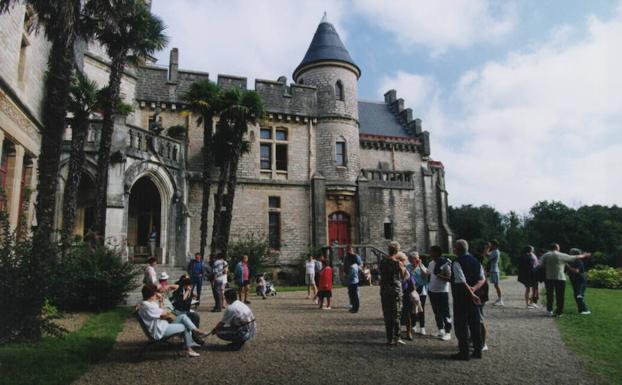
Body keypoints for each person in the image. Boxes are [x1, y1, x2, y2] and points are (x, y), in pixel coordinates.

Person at [138, 284, 209, 357]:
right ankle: (189, 349)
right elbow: (164, 313)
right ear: (153, 294)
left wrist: (161, 301)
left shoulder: (146, 303)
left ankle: (196, 330)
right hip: (159, 330)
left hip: (161, 325)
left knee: (183, 317)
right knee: (184, 326)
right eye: (156, 292)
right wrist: (166, 314)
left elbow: (163, 312)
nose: (157, 293)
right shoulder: (149, 306)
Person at [451, 239, 485, 360]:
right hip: (475, 298)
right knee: (475, 324)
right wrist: (474, 289)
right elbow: (482, 279)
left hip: (462, 298)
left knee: (461, 325)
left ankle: (464, 353)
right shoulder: (476, 261)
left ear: (458, 249)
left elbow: (461, 280)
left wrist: (471, 293)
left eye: (455, 247)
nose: (453, 249)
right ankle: (477, 351)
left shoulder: (456, 262)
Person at [539, 243, 590, 317]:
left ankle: (549, 310)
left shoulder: (545, 255)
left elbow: (541, 265)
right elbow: (575, 257)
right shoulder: (561, 255)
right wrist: (585, 255)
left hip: (549, 277)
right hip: (559, 278)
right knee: (560, 295)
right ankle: (559, 312)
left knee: (549, 294)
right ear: (557, 248)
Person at [379, 241, 407, 346]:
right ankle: (397, 337)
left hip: (385, 290)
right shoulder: (398, 263)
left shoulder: (382, 262)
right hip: (395, 290)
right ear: (397, 251)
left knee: (387, 314)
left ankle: (389, 338)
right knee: (396, 314)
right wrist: (403, 266)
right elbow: (404, 276)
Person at [427, 246, 452, 341]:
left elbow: (450, 278)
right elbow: (429, 274)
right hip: (432, 291)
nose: (429, 254)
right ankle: (440, 330)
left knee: (445, 312)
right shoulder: (431, 263)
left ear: (436, 253)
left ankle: (448, 332)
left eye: (431, 252)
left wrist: (439, 275)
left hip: (442, 291)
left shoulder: (445, 263)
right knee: (436, 312)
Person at [566, 248, 591, 315]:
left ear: (574, 254)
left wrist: (568, 267)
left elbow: (576, 271)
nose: (569, 254)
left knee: (579, 295)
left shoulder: (577, 260)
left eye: (570, 253)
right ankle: (581, 310)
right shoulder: (573, 260)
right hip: (575, 280)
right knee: (576, 295)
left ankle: (586, 310)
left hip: (580, 279)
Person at [410, 252, 429, 336]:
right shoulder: (408, 267)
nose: (417, 259)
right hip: (412, 290)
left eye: (418, 258)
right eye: (415, 258)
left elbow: (425, 275)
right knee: (412, 308)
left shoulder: (422, 266)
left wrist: (420, 266)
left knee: (421, 309)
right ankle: (413, 326)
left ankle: (422, 327)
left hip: (422, 291)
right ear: (411, 259)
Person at [484, 240, 503, 306]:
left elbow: (486, 255)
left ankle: (500, 299)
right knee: (495, 285)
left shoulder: (496, 252)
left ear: (495, 245)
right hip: (493, 270)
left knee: (496, 285)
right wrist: (487, 248)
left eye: (491, 244)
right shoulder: (494, 251)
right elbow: (485, 254)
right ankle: (499, 299)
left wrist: (487, 248)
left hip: (494, 270)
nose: (491, 245)